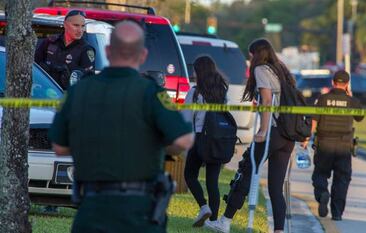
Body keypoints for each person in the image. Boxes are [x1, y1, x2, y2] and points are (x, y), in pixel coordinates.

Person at [48, 21, 194, 233]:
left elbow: (59, 147)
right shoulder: (151, 93)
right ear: (143, 55)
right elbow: (183, 140)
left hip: (92, 210)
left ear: (107, 51)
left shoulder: (79, 90)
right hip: (138, 213)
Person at [210, 39, 296, 233]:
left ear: (257, 54)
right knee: (275, 187)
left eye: (251, 54)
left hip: (272, 131)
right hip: (287, 136)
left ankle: (225, 221)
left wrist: (263, 130)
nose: (249, 58)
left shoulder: (262, 70)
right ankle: (279, 230)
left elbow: (266, 100)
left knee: (246, 171)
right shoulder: (281, 70)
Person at [302, 70, 364, 221]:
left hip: (324, 144)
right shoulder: (352, 102)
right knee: (342, 179)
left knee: (320, 174)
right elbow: (360, 116)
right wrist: (350, 97)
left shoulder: (322, 99)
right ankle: (337, 213)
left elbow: (314, 120)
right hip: (344, 146)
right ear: (347, 84)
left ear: (333, 82)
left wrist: (306, 138)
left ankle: (323, 193)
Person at [181, 56, 229, 228]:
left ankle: (203, 206)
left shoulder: (195, 92)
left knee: (190, 175)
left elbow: (186, 118)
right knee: (212, 182)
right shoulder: (222, 91)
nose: (193, 73)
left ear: (200, 71)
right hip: (217, 140)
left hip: (199, 139)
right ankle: (213, 220)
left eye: (195, 70)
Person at [35, 9, 95, 90]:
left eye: (83, 26)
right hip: (42, 92)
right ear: (65, 25)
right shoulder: (50, 42)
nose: (80, 30)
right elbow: (34, 65)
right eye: (76, 25)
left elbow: (88, 82)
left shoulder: (86, 49)